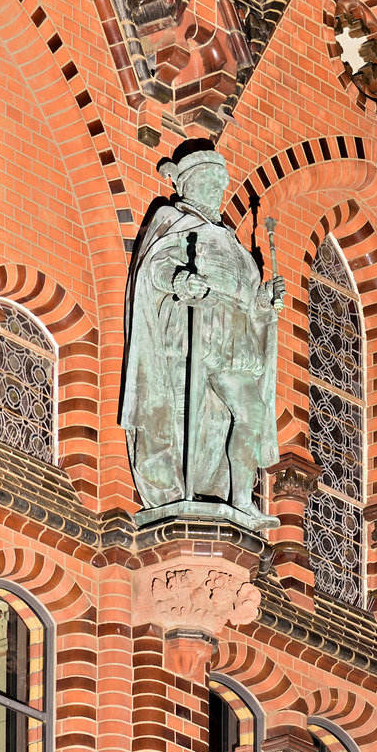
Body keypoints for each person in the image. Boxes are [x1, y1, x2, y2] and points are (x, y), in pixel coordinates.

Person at [122, 143, 283, 528]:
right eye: (210, 181)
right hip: (190, 330)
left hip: (235, 337)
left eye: (220, 183)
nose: (218, 190)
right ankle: (177, 492)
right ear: (189, 184)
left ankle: (241, 500)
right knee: (183, 416)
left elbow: (246, 294)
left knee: (252, 412)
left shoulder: (231, 240)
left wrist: (263, 300)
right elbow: (154, 267)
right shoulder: (172, 219)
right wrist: (179, 280)